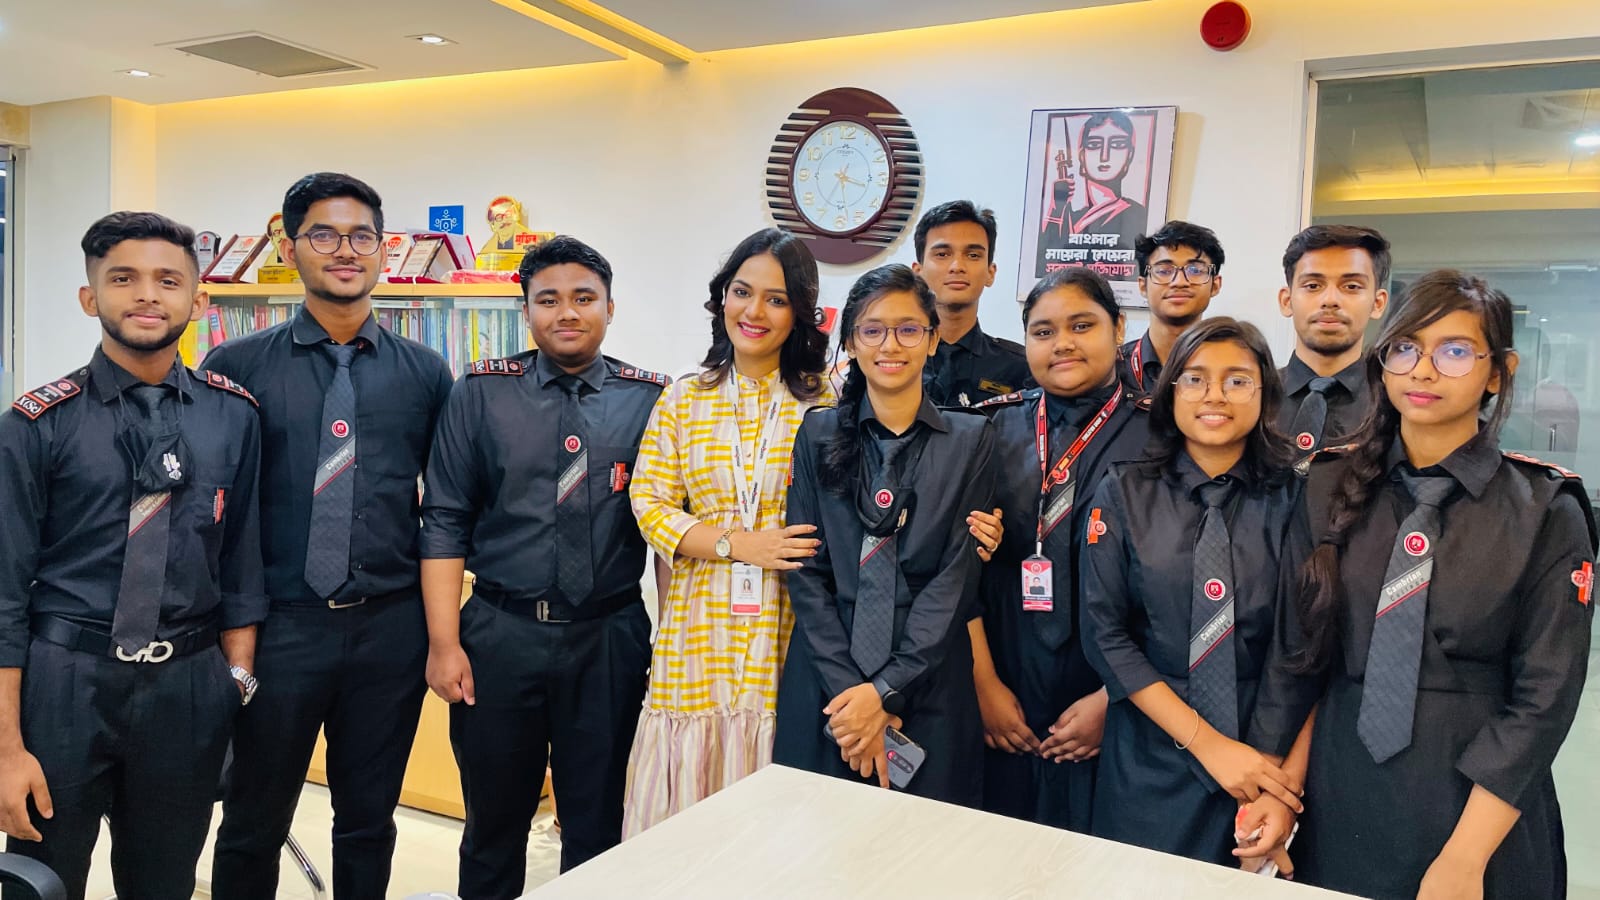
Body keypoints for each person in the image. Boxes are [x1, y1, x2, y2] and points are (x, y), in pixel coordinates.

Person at [1245, 271, 1596, 898]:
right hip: (1341, 792)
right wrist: (1281, 790)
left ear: (1499, 372)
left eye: (1455, 350)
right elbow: (1303, 661)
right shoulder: (1327, 487)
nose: (1424, 370)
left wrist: (1465, 857)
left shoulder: (1545, 510)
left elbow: (1544, 702)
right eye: (1405, 348)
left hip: (1477, 806)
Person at [0, 211, 264, 899]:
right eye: (123, 278)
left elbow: (241, 562)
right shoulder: (36, 425)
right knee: (41, 881)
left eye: (168, 280)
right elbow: (3, 596)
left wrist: (235, 680)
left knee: (165, 881)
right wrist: (6, 748)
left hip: (188, 685)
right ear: (90, 298)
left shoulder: (234, 415)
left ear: (198, 302)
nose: (147, 294)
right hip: (65, 682)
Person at [206, 173, 455, 899]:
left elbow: (445, 502)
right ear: (290, 249)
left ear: (382, 250)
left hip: (388, 630)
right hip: (278, 628)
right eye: (323, 234)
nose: (345, 250)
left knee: (369, 821)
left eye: (361, 236)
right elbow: (217, 511)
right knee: (252, 821)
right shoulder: (235, 368)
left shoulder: (425, 373)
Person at [420, 236, 666, 894]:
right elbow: (443, 519)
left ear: (610, 307)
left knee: (598, 823)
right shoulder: (480, 393)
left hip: (609, 637)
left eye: (584, 298)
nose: (567, 312)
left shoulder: (651, 399)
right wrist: (444, 644)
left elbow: (668, 529)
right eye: (548, 300)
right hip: (501, 635)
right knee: (493, 822)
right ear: (525, 310)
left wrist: (669, 643)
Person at [622, 228, 831, 836]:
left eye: (776, 298)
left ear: (799, 311)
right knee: (688, 810)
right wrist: (738, 544)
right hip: (699, 623)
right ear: (722, 298)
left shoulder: (826, 401)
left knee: (775, 809)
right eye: (742, 292)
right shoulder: (685, 397)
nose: (754, 311)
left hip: (790, 618)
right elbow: (650, 503)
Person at [1081, 317, 1304, 865]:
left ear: (1265, 393)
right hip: (1152, 744)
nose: (1215, 395)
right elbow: (1106, 636)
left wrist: (1271, 777)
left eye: (1237, 380)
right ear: (1171, 392)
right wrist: (1210, 746)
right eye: (1196, 379)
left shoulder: (1296, 497)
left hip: (1264, 743)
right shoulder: (1125, 491)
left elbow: (1301, 642)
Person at [774, 264, 995, 805]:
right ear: (851, 342)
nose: (890, 345)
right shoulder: (818, 432)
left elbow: (955, 581)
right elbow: (805, 569)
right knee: (814, 839)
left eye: (908, 329)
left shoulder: (971, 439)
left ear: (933, 339)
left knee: (924, 846)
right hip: (829, 677)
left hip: (930, 678)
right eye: (872, 330)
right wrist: (853, 696)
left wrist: (884, 692)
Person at [969, 268, 1151, 833]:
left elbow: (1173, 590)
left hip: (1114, 689)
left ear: (1118, 328)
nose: (1062, 343)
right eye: (1043, 332)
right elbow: (956, 573)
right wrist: (983, 685)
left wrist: (1116, 698)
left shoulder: (1162, 435)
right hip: (1005, 681)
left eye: (1082, 325)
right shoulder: (989, 430)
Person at [1276, 225, 1391, 456]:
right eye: (1313, 286)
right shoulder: (1253, 396)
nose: (1330, 300)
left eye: (1351, 287)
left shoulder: (1395, 404)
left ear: (1377, 303)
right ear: (1287, 301)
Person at [912, 201, 1032, 407]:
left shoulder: (1021, 367)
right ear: (918, 273)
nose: (957, 266)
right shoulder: (894, 359)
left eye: (973, 255)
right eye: (942, 254)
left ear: (990, 273)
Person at [1120, 221, 1225, 393]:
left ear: (1215, 285)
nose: (1179, 282)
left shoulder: (1234, 366)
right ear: (1142, 286)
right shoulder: (1111, 368)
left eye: (1195, 270)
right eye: (1164, 271)